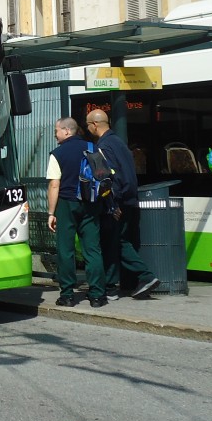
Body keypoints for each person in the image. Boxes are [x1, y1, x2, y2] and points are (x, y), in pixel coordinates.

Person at [86, 110, 160, 300]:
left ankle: (144, 276)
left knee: (115, 242)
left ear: (94, 125)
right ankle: (116, 284)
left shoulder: (103, 146)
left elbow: (111, 177)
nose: (87, 129)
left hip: (119, 202)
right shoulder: (119, 142)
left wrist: (113, 204)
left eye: (87, 125)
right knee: (121, 241)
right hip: (131, 199)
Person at [45, 117, 107, 308]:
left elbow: (54, 185)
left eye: (56, 130)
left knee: (66, 250)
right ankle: (97, 295)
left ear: (67, 131)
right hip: (91, 203)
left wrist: (51, 213)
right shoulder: (94, 147)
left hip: (67, 203)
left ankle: (68, 295)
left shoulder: (58, 153)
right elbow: (104, 175)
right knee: (92, 249)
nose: (55, 134)